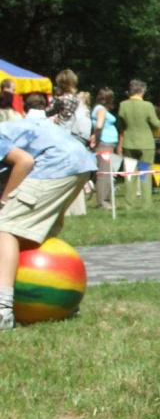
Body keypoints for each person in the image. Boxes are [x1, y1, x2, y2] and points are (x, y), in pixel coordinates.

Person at [0, 119, 95, 330]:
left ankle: (2, 309)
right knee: (31, 234)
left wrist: (4, 201)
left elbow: (24, 161)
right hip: (79, 163)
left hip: (55, 164)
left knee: (5, 227)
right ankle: (62, 302)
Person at [117, 80, 160, 207]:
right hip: (146, 144)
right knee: (145, 174)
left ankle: (129, 204)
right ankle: (146, 203)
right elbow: (156, 124)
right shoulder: (147, 105)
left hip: (128, 143)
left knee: (130, 175)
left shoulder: (123, 105)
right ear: (142, 91)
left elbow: (120, 125)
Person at [89, 88, 118, 209]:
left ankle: (105, 199)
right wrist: (95, 137)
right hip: (104, 143)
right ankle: (103, 202)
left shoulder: (100, 109)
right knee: (105, 173)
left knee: (107, 172)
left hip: (108, 143)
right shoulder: (101, 109)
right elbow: (99, 125)